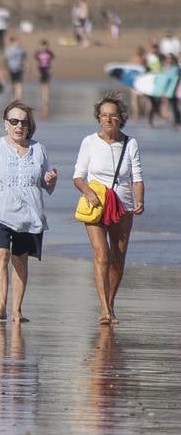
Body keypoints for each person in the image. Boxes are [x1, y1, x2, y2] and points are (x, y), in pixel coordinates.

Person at [0, 102, 57, 323]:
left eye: (23, 122)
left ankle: (16, 310)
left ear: (29, 125)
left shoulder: (39, 149)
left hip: (29, 214)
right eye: (14, 121)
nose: (19, 126)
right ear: (6, 124)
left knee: (20, 259)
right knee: (1, 253)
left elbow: (45, 183)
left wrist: (50, 180)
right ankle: (0, 305)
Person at [72, 94, 144, 325]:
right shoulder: (89, 142)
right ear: (98, 118)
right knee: (101, 254)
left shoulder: (130, 143)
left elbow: (137, 178)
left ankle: (111, 302)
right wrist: (87, 191)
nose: (108, 119)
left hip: (123, 206)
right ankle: (104, 309)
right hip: (95, 205)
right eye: (103, 115)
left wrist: (139, 199)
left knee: (117, 258)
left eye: (112, 115)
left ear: (120, 118)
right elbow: (78, 177)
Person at [34, 40, 54, 116]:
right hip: (41, 69)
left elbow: (51, 62)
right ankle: (43, 98)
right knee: (42, 85)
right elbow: (37, 63)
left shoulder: (49, 53)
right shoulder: (38, 53)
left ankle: (46, 99)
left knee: (47, 85)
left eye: (45, 46)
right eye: (42, 46)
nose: (43, 47)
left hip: (47, 69)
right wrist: (37, 72)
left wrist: (51, 70)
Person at [4, 36, 26, 102]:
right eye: (17, 42)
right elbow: (6, 60)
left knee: (18, 83)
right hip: (12, 68)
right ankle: (14, 98)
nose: (18, 43)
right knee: (14, 83)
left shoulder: (19, 50)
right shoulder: (11, 50)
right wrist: (6, 68)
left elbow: (23, 58)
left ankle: (18, 98)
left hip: (18, 68)